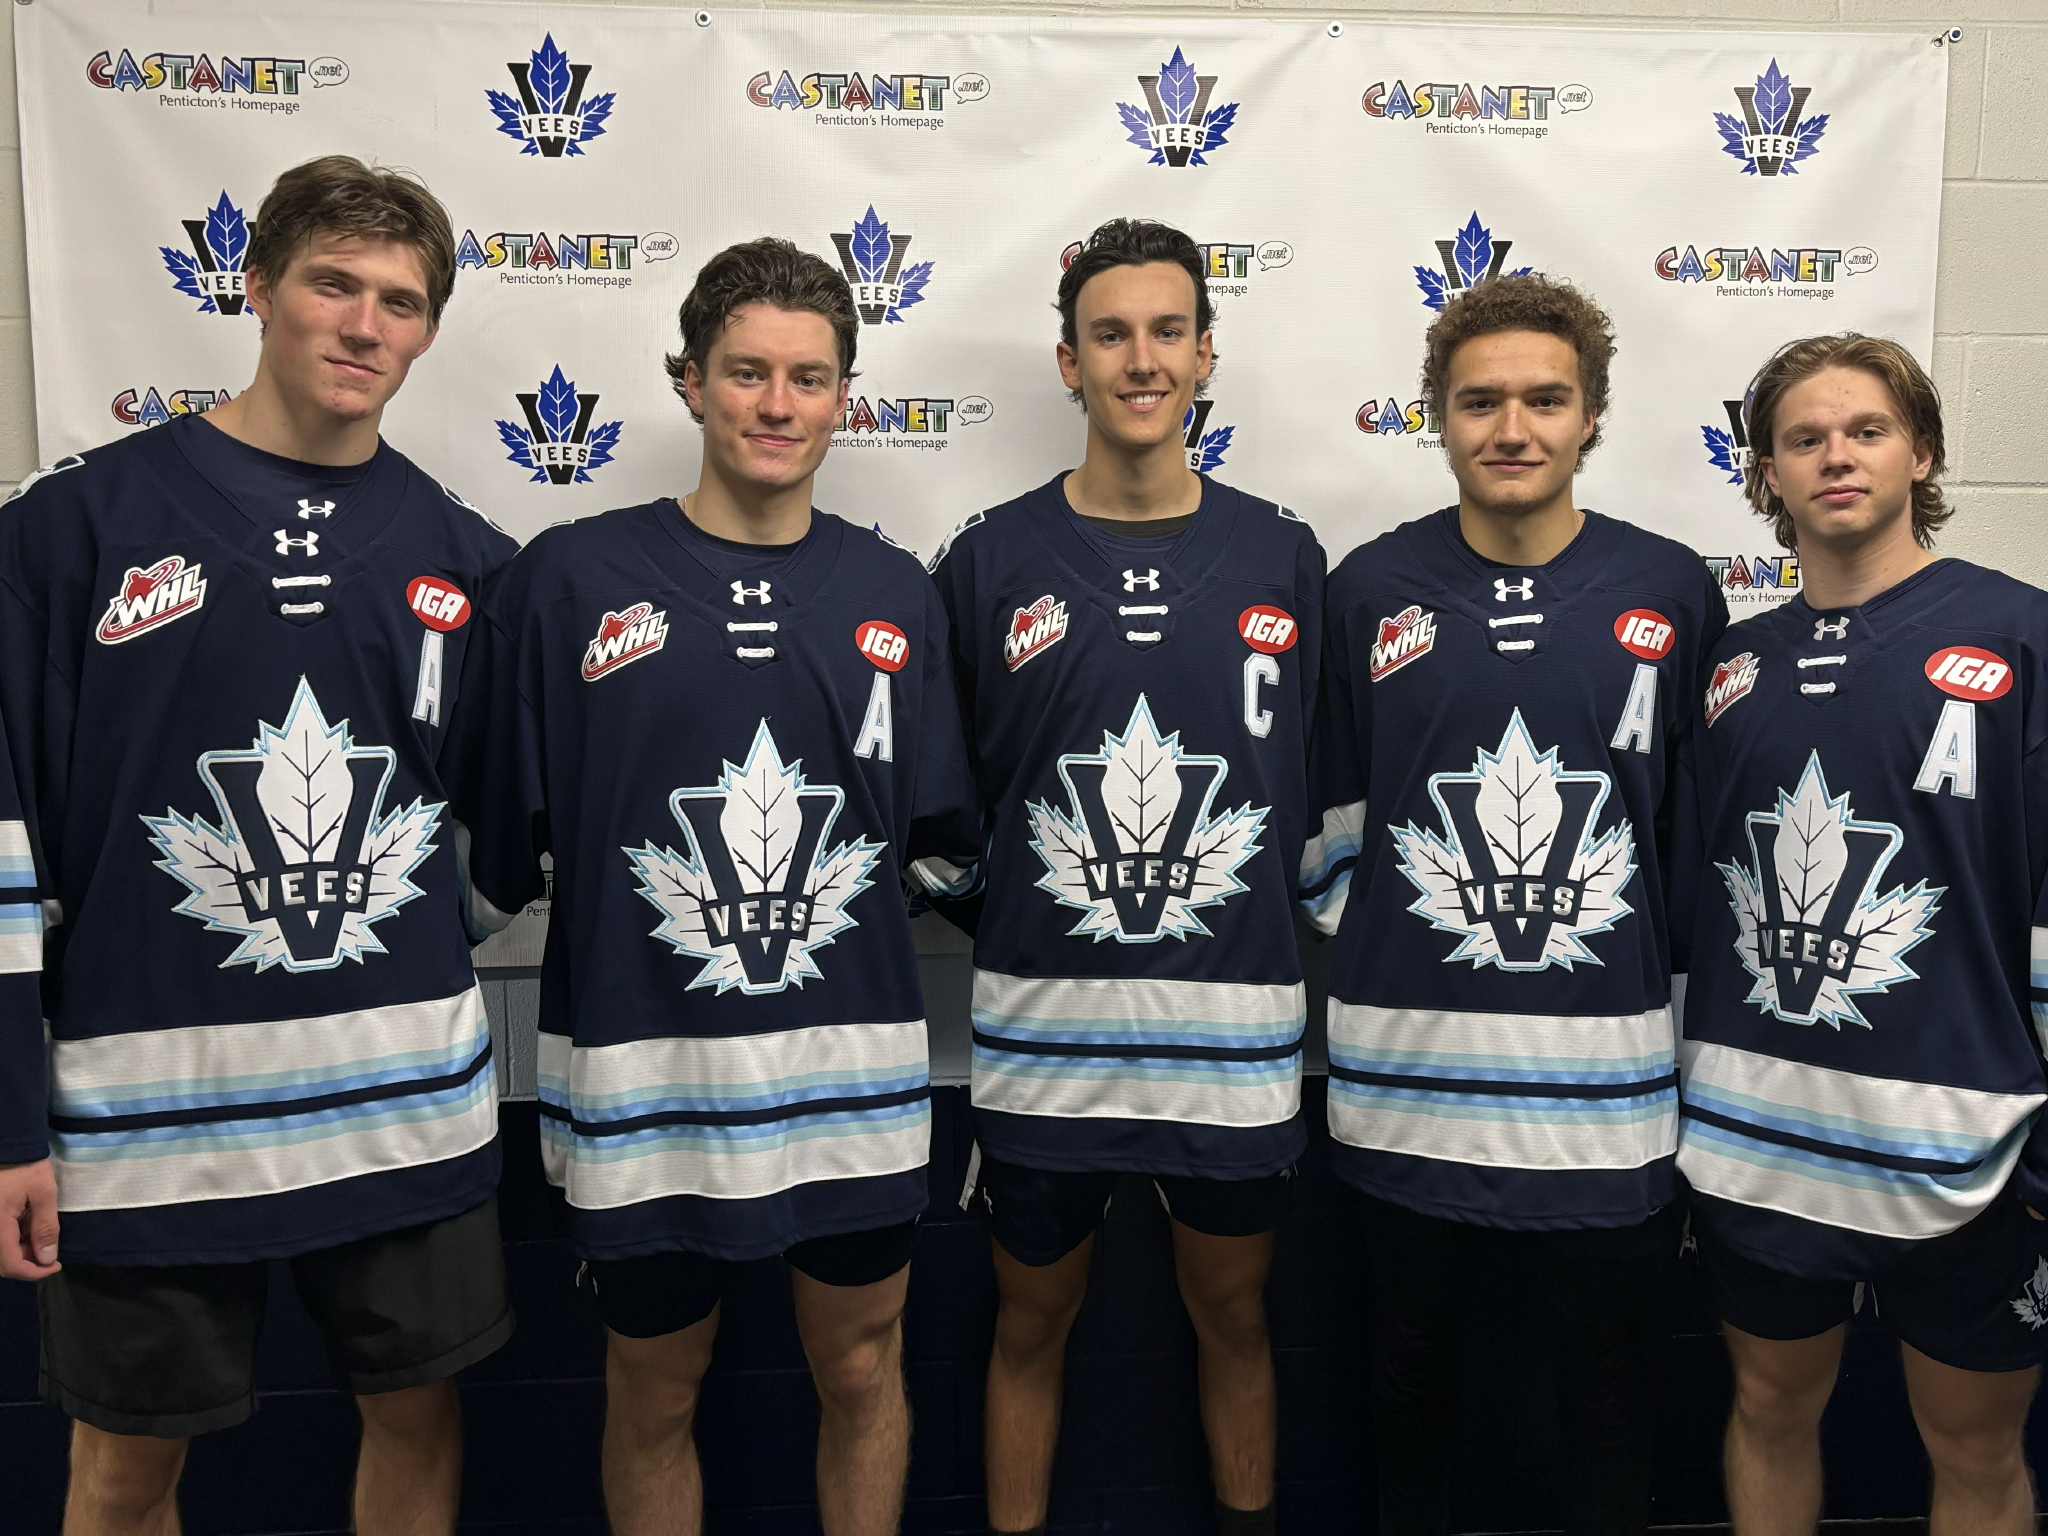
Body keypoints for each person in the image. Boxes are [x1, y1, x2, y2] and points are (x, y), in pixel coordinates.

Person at [0, 154, 513, 1535]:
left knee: (420, 1417)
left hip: (404, 1104)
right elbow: (6, 841)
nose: (364, 325)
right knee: (124, 1468)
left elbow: (502, 831)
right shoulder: (69, 530)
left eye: (400, 302)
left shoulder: (467, 557)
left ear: (429, 328)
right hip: (145, 1120)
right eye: (332, 285)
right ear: (257, 287)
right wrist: (5, 1115)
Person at [450, 236, 980, 1536]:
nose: (776, 405)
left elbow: (936, 846)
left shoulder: (894, 594)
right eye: (747, 372)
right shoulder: (568, 583)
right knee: (653, 1390)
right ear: (690, 381)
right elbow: (493, 847)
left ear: (843, 398)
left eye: (808, 377)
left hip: (851, 1081)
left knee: (861, 1369)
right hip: (644, 1081)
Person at [1300, 273, 1726, 1534]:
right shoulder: (1367, 591)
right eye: (1479, 402)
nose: (1511, 429)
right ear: (1436, 416)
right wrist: (1417, 938)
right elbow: (1325, 823)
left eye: (1544, 400)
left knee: (1599, 1428)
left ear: (1591, 416)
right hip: (1405, 1100)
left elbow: (1690, 842)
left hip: (1604, 1112)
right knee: (1409, 1420)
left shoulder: (1669, 591)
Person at [927, 217, 1322, 1536]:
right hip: (1045, 1043)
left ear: (1206, 355)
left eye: (1166, 332)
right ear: (1068, 361)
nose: (1139, 360)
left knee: (1236, 1318)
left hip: (1236, 1041)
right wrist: (1025, 913)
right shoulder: (989, 561)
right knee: (1027, 1323)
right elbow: (941, 809)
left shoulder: (1282, 557)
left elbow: (1312, 797)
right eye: (1110, 334)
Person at [1679, 333, 2047, 1535]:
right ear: (1765, 476)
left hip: (1969, 1149)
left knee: (1974, 1450)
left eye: (1865, 430)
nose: (1834, 456)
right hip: (1760, 1147)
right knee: (1765, 1409)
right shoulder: (1732, 666)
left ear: (1919, 453)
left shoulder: (2018, 635)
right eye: (1803, 439)